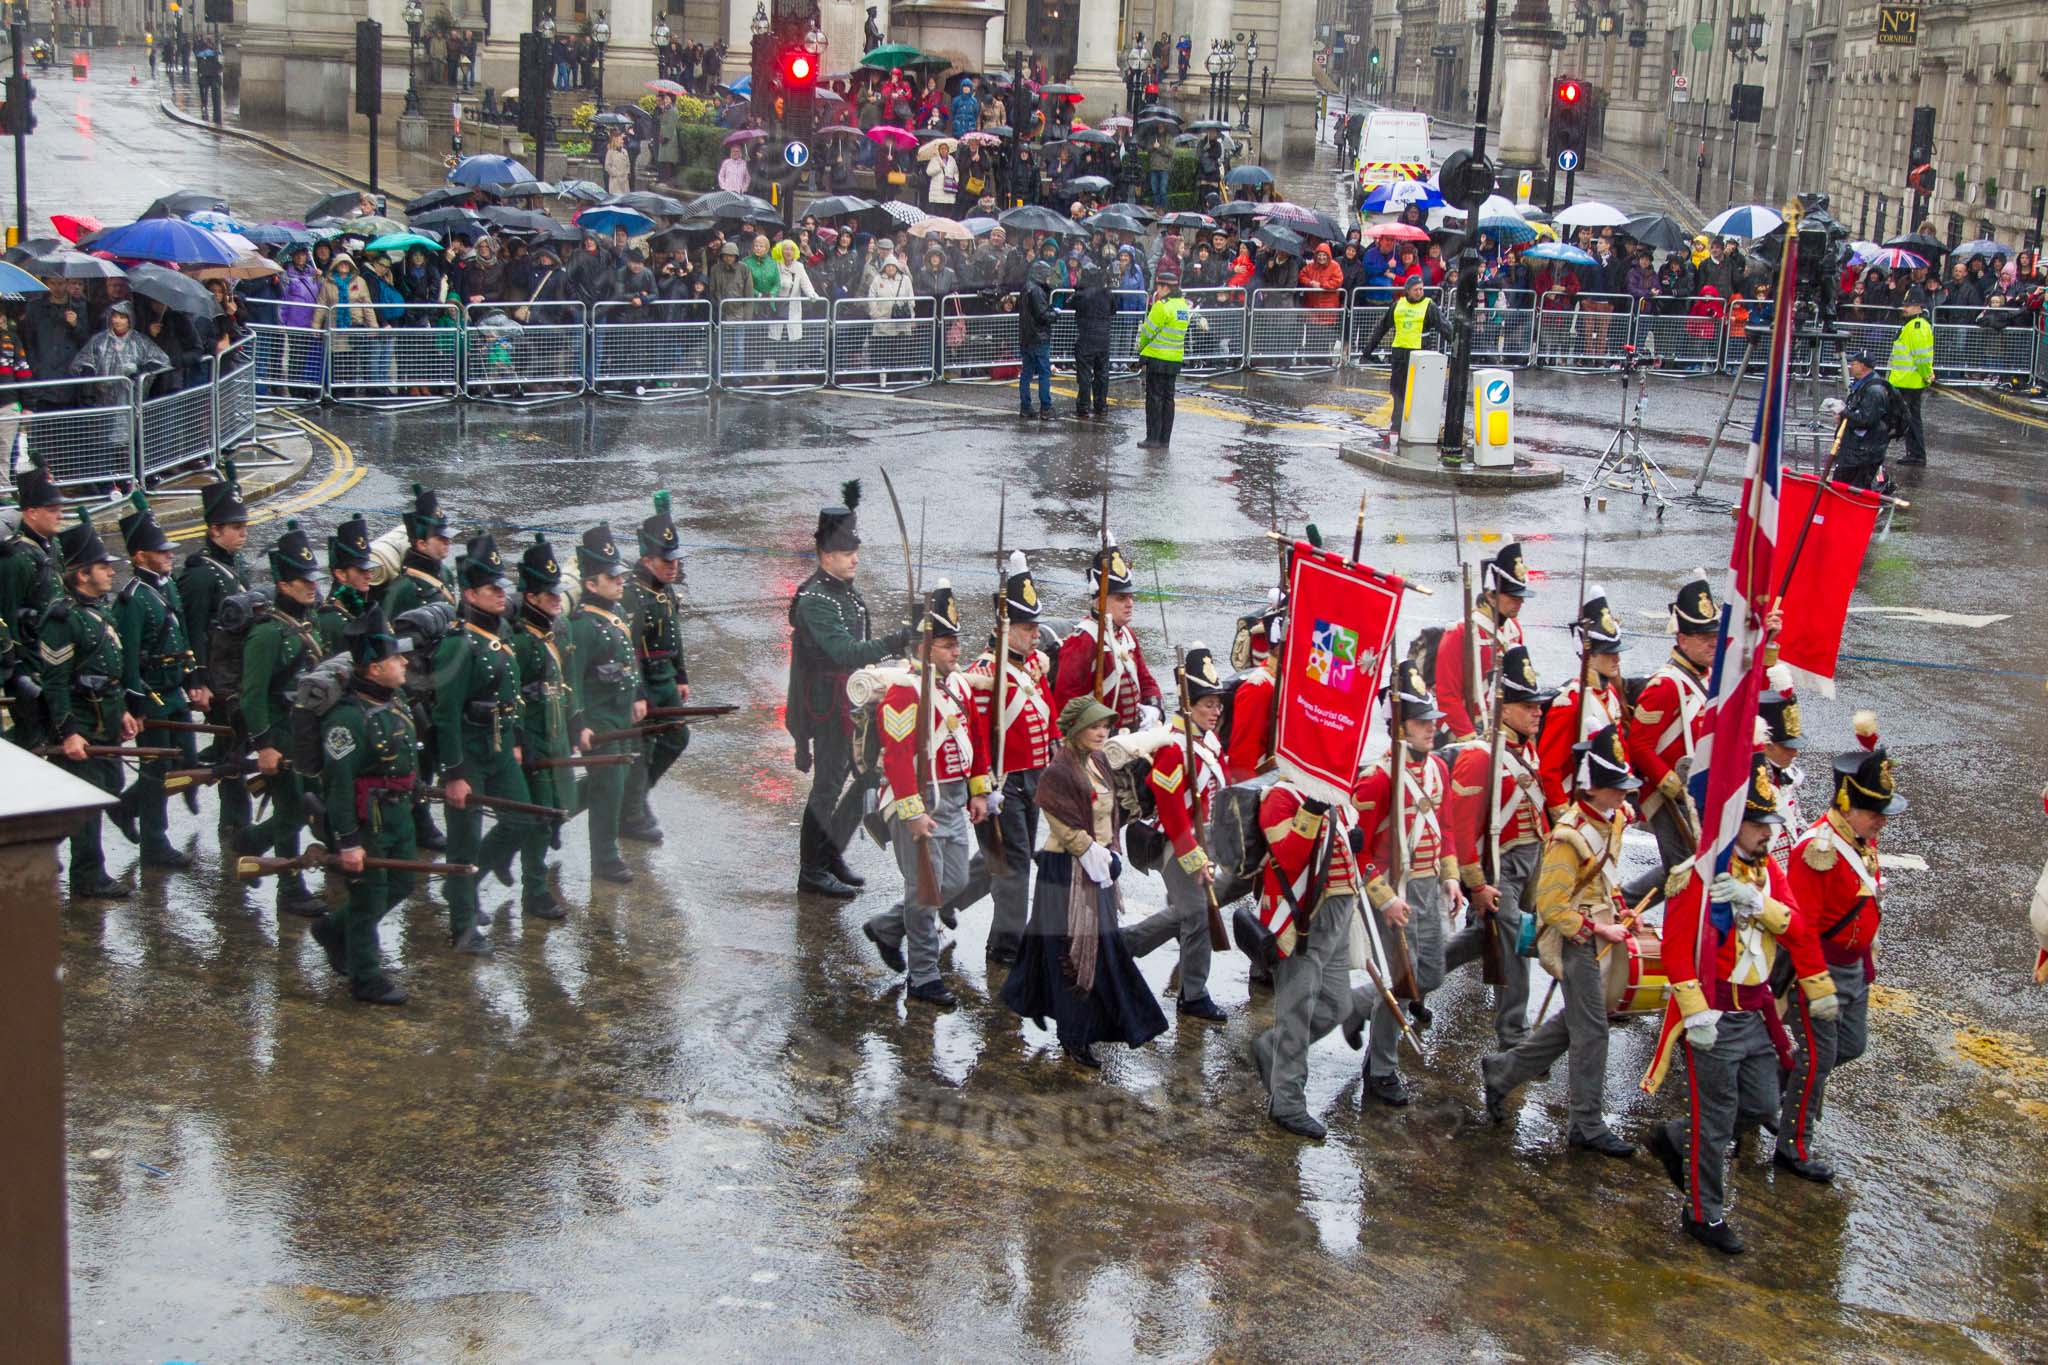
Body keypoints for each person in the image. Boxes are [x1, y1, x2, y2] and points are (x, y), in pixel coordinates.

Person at [1642, 751, 1838, 1255]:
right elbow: (1674, 949)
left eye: (1768, 824)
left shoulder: (1768, 872)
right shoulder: (1697, 875)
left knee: (1759, 1104)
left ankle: (1674, 1137)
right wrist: (1695, 1009)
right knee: (1717, 1119)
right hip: (1713, 1014)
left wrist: (1758, 904)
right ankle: (1703, 1214)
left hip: (1755, 1010)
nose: (1766, 834)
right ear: (1734, 826)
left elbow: (1797, 928)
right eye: (1756, 825)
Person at [1479, 724, 1640, 1158]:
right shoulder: (1568, 836)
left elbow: (1607, 881)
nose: (1625, 797)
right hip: (1577, 939)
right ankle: (1585, 1122)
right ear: (1597, 789)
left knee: (1576, 1023)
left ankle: (1503, 1072)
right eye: (1618, 789)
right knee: (1592, 1031)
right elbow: (1552, 908)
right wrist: (1599, 929)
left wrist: (1621, 911)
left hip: (1600, 931)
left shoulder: (1613, 820)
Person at [1001, 695, 1168, 1067]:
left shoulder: (1099, 761)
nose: (1101, 732)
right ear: (1076, 730)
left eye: (1105, 726)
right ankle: (1073, 1035)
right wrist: (1091, 852)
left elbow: (1113, 811)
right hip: (1066, 871)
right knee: (1072, 954)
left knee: (1098, 947)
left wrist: (1110, 852)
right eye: (1094, 726)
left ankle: (1084, 1022)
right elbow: (1060, 821)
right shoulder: (1059, 771)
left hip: (1098, 867)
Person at [1776, 735, 1905, 1187]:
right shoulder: (1819, 851)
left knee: (1850, 1046)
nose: (1881, 824)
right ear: (1847, 806)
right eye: (1874, 814)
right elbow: (1802, 927)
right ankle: (1794, 1144)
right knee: (1817, 1059)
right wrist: (1814, 982)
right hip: (1819, 969)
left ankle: (1768, 1087)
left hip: (1853, 965)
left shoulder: (1857, 838)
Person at [1339, 660, 1464, 1105]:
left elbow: (1445, 829)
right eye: (1420, 722)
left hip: (1429, 888)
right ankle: (1381, 1069)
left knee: (1428, 972)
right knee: (1403, 980)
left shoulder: (1438, 770)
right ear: (1399, 726)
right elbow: (1359, 851)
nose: (1431, 729)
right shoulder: (1376, 780)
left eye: (1431, 721)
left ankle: (1358, 1004)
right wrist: (1385, 899)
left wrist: (1451, 877)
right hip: (1395, 894)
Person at [860, 581, 989, 1006]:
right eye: (948, 645)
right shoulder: (903, 694)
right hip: (918, 800)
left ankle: (887, 926)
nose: (957, 653)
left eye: (956, 644)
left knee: (955, 880)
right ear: (925, 647)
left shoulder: (959, 687)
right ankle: (924, 977)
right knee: (925, 890)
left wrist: (978, 791)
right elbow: (897, 758)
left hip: (953, 799)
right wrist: (912, 811)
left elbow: (976, 743)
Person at [786, 482, 912, 898]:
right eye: (845, 552)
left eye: (854, 550)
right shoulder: (815, 599)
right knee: (827, 786)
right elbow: (843, 652)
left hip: (855, 701)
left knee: (865, 777)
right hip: (825, 706)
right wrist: (896, 641)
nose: (854, 558)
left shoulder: (845, 592)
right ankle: (811, 869)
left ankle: (832, 852)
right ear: (825, 556)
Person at [1250, 725, 1365, 1139]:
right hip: (1303, 917)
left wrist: (1354, 839)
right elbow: (1292, 857)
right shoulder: (1280, 797)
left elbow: (1346, 851)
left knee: (1335, 1004)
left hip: (1338, 908)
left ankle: (1271, 1048)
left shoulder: (1332, 793)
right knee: (1297, 1008)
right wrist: (1313, 811)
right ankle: (1287, 1102)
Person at [1442, 645, 1556, 1050]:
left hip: (1532, 862)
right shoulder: (1480, 757)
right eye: (1528, 707)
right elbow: (1460, 828)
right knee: (1516, 946)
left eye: (1537, 706)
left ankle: (1406, 986)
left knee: (1483, 943)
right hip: (1499, 868)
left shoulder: (1525, 748)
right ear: (1503, 709)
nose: (1537, 713)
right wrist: (1475, 884)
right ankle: (1515, 1037)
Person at [432, 534, 539, 953]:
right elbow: (445, 716)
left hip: (498, 749)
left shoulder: (501, 633)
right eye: (493, 588)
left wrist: (512, 740)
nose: (502, 594)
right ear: (470, 594)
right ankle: (462, 925)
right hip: (469, 754)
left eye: (502, 587)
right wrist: (454, 773)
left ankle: (468, 884)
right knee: (462, 840)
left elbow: (508, 696)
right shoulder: (459, 645)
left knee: (521, 820)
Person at [309, 607, 420, 1006]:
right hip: (366, 820)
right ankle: (366, 978)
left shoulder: (394, 699)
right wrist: (348, 841)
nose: (404, 662)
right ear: (374, 669)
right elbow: (338, 785)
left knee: (404, 882)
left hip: (398, 813)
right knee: (369, 897)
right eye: (395, 658)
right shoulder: (347, 720)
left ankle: (332, 931)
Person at [1124, 643, 1231, 1022]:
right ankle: (1193, 993)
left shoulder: (1206, 740)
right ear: (1189, 705)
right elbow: (1170, 810)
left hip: (1204, 837)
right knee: (1198, 915)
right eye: (1207, 705)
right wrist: (1193, 854)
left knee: (1189, 912)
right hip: (1176, 842)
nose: (1215, 711)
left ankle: (1127, 945)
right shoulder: (1174, 747)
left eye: (1217, 704)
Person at [230, 521, 328, 920]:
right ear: (283, 585)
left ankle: (254, 843)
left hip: (305, 731)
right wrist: (265, 744)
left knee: (299, 806)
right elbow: (252, 694)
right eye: (302, 581)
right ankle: (288, 885)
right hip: (281, 732)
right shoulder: (268, 634)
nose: (311, 586)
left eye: (312, 579)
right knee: (292, 808)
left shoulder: (309, 624)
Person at [42, 510, 141, 898]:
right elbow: (55, 682)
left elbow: (110, 674)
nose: (111, 573)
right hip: (82, 725)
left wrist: (125, 714)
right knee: (86, 804)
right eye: (103, 567)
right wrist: (69, 732)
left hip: (106, 722)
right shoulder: (63, 619)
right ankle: (87, 874)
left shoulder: (96, 611)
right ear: (82, 573)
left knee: (112, 785)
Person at [966, 552, 1056, 965]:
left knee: (998, 863)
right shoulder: (984, 673)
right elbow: (975, 738)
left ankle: (901, 921)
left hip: (1032, 778)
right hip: (1003, 782)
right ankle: (1007, 948)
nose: (1035, 634)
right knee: (1013, 868)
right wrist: (983, 785)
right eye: (1026, 627)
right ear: (1004, 628)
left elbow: (1047, 716)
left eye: (1035, 626)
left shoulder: (1031, 664)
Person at [110, 492, 204, 870]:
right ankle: (155, 842)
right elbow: (129, 659)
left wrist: (193, 677)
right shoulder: (133, 600)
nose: (169, 555)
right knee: (155, 773)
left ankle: (125, 807)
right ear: (139, 556)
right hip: (151, 696)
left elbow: (180, 637)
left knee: (187, 759)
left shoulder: (165, 587)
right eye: (160, 551)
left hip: (174, 691)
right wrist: (135, 706)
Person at [1621, 576, 1718, 903]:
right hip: (1668, 797)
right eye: (1704, 637)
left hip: (1693, 790)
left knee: (1683, 868)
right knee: (1683, 871)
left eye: (1714, 636)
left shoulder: (1703, 677)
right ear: (1682, 639)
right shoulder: (1666, 686)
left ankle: (1624, 904)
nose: (1712, 643)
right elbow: (1640, 746)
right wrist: (1672, 784)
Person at [177, 465, 253, 843]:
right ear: (214, 530)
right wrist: (198, 680)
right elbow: (192, 630)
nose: (243, 532)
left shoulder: (232, 568)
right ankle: (236, 824)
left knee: (236, 748)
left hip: (238, 674)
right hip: (219, 678)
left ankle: (236, 820)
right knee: (234, 753)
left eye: (243, 526)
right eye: (235, 527)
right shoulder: (201, 575)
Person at [566, 524, 645, 885]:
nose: (620, 582)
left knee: (616, 781)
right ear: (590, 584)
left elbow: (629, 662)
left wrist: (638, 695)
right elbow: (572, 678)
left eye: (620, 576)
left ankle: (556, 810)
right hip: (599, 719)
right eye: (611, 578)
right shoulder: (583, 626)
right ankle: (605, 857)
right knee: (608, 786)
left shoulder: (615, 615)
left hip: (620, 713)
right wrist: (578, 723)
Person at [381, 483, 457, 852]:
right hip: (418, 687)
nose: (446, 544)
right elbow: (399, 646)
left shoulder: (443, 578)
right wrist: (413, 697)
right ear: (419, 542)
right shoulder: (405, 589)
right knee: (420, 759)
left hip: (442, 680)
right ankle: (419, 820)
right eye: (439, 539)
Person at [509, 537, 573, 921]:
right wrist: (519, 741)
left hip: (553, 736)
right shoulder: (519, 642)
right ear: (531, 598)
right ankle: (533, 891)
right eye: (549, 595)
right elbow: (509, 696)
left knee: (552, 811)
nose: (556, 600)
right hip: (530, 740)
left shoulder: (554, 633)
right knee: (535, 818)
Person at [621, 492, 691, 842]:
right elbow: (627, 650)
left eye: (675, 559)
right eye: (666, 561)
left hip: (665, 678)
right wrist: (636, 693)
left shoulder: (666, 590)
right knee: (643, 748)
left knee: (677, 737)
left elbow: (675, 636)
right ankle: (630, 816)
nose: (673, 566)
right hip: (645, 680)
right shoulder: (633, 594)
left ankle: (638, 795)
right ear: (647, 559)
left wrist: (681, 676)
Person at [1053, 539, 1163, 731]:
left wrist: (1153, 707)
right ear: (1100, 601)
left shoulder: (1128, 635)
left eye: (1130, 597)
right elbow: (1067, 703)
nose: (1129, 603)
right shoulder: (1083, 640)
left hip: (1133, 736)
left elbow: (1146, 680)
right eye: (1121, 598)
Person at [1536, 588, 1627, 818]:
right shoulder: (1571, 702)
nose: (1616, 658)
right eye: (1608, 653)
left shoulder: (1610, 696)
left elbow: (1619, 750)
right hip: (1576, 806)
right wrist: (1563, 813)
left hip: (1604, 804)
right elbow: (1549, 768)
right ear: (1590, 655)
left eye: (1616, 651)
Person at [0, 464, 68, 749]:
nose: (60, 515)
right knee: (34, 743)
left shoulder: (52, 547)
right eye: (52, 509)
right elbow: (6, 616)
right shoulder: (14, 559)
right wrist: (17, 671)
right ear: (31, 513)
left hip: (55, 660)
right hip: (28, 666)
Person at [1433, 540, 1529, 741]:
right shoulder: (1460, 634)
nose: (1520, 602)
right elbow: (1447, 698)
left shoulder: (1513, 630)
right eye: (1513, 597)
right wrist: (1471, 739)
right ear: (1491, 596)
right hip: (1464, 730)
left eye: (1520, 597)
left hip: (1500, 725)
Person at [1360, 275, 1442, 446]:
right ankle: (1396, 426)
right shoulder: (1398, 305)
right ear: (1407, 291)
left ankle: (1418, 428)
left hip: (1420, 355)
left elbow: (1444, 326)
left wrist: (1458, 348)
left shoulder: (1429, 306)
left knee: (1419, 394)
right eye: (1416, 290)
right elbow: (1382, 328)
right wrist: (1367, 351)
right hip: (1399, 355)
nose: (1420, 292)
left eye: (1421, 289)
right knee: (1397, 393)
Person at [1136, 279, 1195, 448]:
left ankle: (1152, 438)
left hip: (1157, 357)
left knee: (1154, 399)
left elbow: (1148, 331)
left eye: (1159, 288)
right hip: (1175, 358)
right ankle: (1164, 439)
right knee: (1169, 399)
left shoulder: (1162, 306)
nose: (1157, 291)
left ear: (1166, 288)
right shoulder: (1183, 306)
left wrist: (1141, 347)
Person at [315, 515, 376, 655]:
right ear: (341, 575)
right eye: (361, 571)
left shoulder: (367, 607)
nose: (369, 576)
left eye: (370, 569)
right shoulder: (330, 621)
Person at [1835, 350, 1893, 490]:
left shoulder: (1873, 390)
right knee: (1843, 486)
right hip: (1857, 450)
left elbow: (1866, 420)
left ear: (1863, 366)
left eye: (1853, 364)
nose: (1850, 366)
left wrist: (1843, 412)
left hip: (1862, 453)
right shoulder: (1863, 385)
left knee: (1851, 489)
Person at [1886, 289, 1933, 466]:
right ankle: (1915, 454)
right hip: (1905, 380)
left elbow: (1921, 357)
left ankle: (1917, 455)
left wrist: (1927, 376)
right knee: (1909, 419)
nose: (1904, 308)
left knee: (1908, 420)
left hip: (1909, 382)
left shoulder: (1917, 326)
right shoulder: (1913, 325)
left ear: (1919, 306)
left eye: (1909, 304)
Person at [1070, 263, 1114, 418]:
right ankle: (1101, 405)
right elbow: (1114, 309)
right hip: (1103, 339)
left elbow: (1069, 304)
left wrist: (1078, 290)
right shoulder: (1107, 294)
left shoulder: (1082, 295)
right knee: (1102, 374)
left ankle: (1083, 405)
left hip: (1086, 338)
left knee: (1084, 375)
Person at [1017, 259, 1056, 419]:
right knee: (1044, 373)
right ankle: (1046, 408)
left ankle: (1025, 407)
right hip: (1039, 338)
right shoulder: (1038, 291)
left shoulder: (1026, 288)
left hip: (1026, 337)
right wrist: (1055, 314)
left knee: (1026, 373)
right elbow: (1042, 315)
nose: (1049, 278)